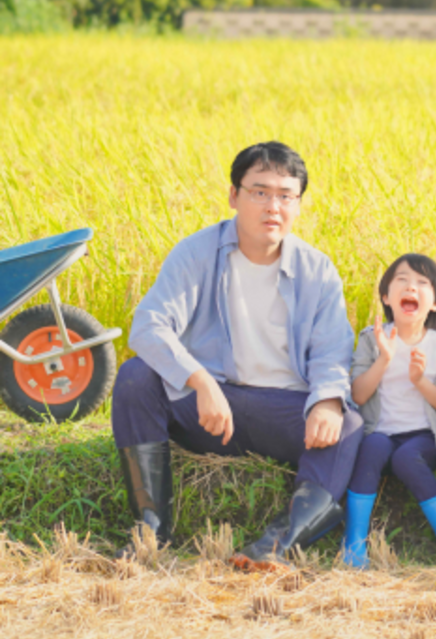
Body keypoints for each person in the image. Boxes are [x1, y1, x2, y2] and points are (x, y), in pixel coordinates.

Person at [110, 141, 362, 569]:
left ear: (298, 204)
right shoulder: (197, 253)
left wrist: (327, 401)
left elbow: (332, 350)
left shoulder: (317, 270)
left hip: (280, 409)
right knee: (136, 376)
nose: (273, 206)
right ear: (234, 195)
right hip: (209, 410)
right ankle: (150, 531)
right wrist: (201, 381)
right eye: (259, 192)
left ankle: (277, 544)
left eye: (286, 195)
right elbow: (148, 325)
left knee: (350, 424)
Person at [341, 254, 436, 568]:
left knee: (405, 457)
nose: (411, 286)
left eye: (422, 283)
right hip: (381, 431)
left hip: (424, 436)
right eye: (402, 279)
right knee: (372, 447)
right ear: (386, 296)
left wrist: (419, 381)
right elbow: (358, 393)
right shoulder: (372, 340)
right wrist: (384, 359)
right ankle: (354, 542)